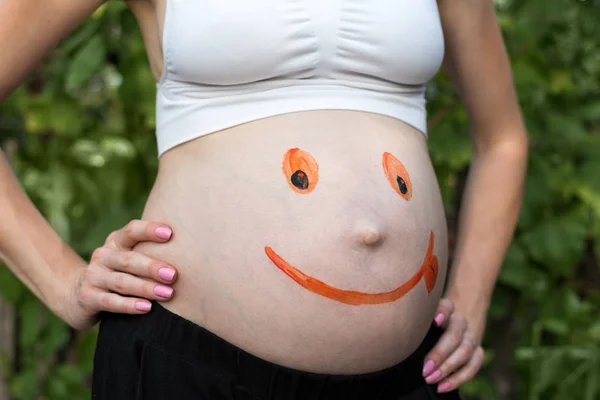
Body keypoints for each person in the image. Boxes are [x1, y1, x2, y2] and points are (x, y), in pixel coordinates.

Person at [0, 0, 528, 398]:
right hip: (192, 366)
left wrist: (472, 300)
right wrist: (61, 283)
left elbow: (503, 139)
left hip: (410, 373)